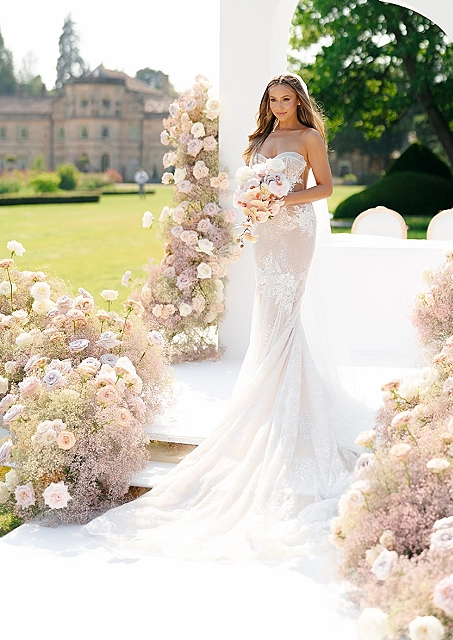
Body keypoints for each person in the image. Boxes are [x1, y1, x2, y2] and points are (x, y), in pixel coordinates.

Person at [87, 74, 359, 562]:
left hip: (295, 231)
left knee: (286, 312)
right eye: (273, 100)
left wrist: (280, 198)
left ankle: (288, 402)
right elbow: (247, 187)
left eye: (287, 99)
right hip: (265, 234)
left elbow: (325, 189)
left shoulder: (309, 138)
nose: (279, 106)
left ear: (299, 101)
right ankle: (277, 398)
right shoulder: (259, 140)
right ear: (267, 103)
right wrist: (253, 202)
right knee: (268, 313)